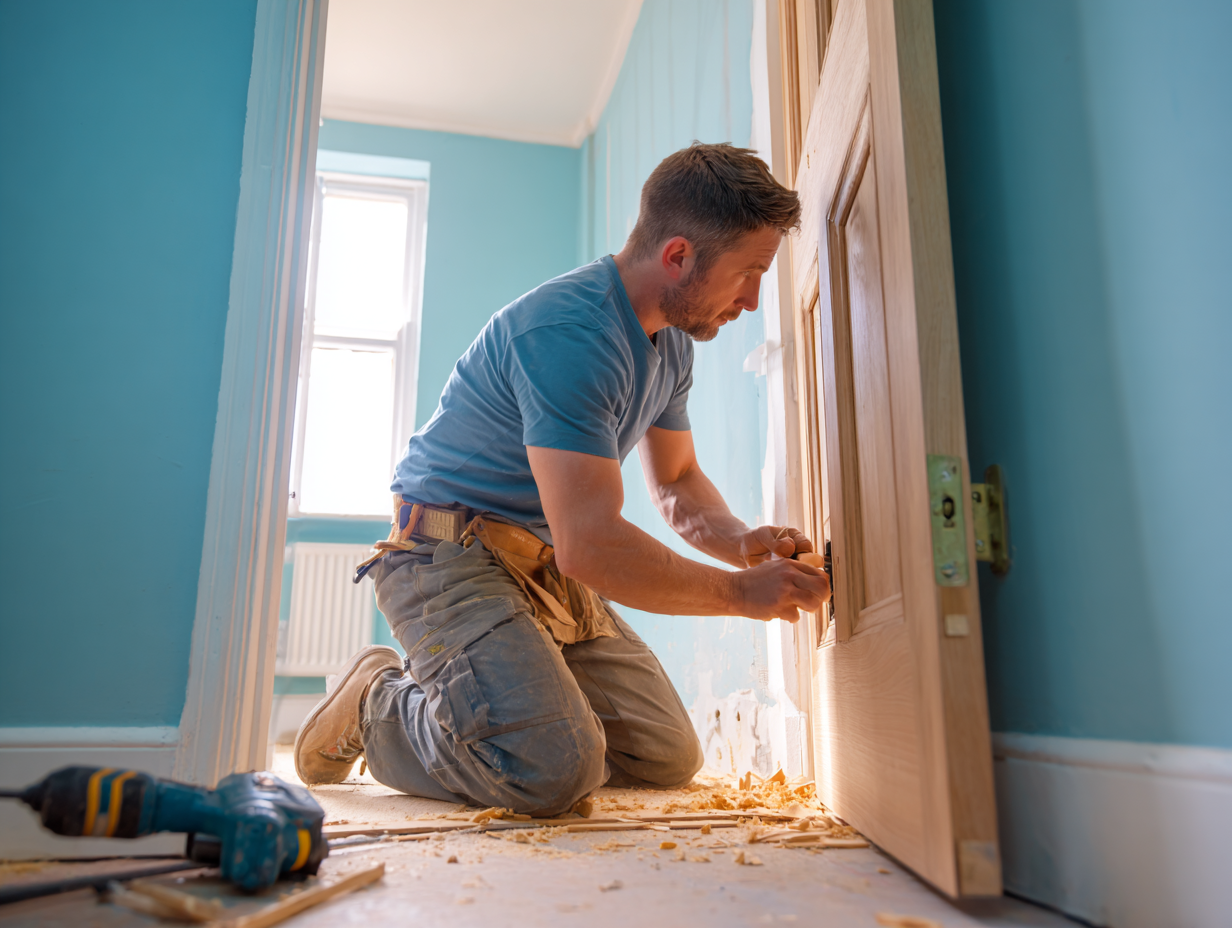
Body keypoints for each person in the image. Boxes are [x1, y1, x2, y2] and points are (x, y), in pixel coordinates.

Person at [293, 143, 832, 816]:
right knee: (550, 773)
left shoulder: (673, 345)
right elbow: (593, 546)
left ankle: (520, 699)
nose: (752, 300)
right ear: (678, 256)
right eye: (748, 273)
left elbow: (679, 481)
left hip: (539, 562)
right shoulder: (568, 335)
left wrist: (742, 543)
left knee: (666, 757)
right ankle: (380, 701)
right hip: (445, 554)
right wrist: (740, 594)